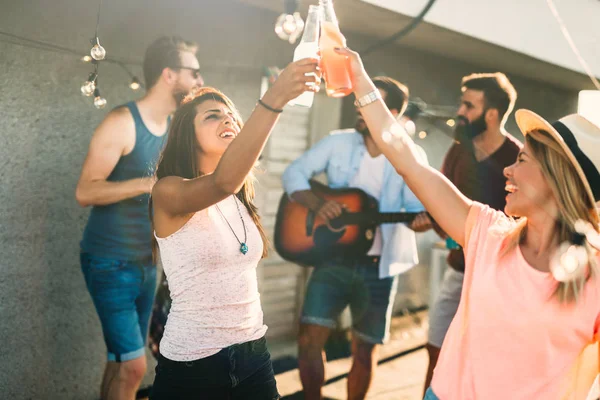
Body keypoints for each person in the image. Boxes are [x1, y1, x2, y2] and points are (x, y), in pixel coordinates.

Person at [336, 45, 600, 400]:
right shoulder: (488, 233)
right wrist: (359, 77)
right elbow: (408, 160)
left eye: (522, 160)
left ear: (556, 180)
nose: (508, 169)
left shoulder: (595, 277)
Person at [148, 59, 320, 399]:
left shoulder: (239, 196)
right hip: (194, 367)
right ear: (188, 135)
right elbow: (223, 181)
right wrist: (276, 97)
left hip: (254, 355)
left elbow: (229, 182)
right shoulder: (167, 191)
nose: (227, 118)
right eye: (212, 116)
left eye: (230, 115)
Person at [282, 76, 428, 400]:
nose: (358, 110)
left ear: (388, 112)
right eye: (358, 103)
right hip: (332, 259)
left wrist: (422, 221)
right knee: (308, 340)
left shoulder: (410, 153)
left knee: (364, 351)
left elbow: (419, 209)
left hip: (379, 267)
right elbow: (293, 173)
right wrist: (319, 204)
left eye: (366, 104)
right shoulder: (338, 142)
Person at [75, 36, 203, 400]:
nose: (198, 80)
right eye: (192, 72)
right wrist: (147, 183)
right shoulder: (122, 121)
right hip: (108, 262)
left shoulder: (175, 129)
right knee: (134, 368)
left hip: (148, 264)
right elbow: (85, 191)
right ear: (168, 75)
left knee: (120, 362)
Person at [416, 73, 522, 394]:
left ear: (491, 114)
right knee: (435, 344)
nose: (459, 111)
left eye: (468, 105)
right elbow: (443, 204)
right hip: (458, 269)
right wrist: (432, 221)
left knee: (484, 359)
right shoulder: (458, 151)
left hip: (498, 278)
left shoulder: (516, 159)